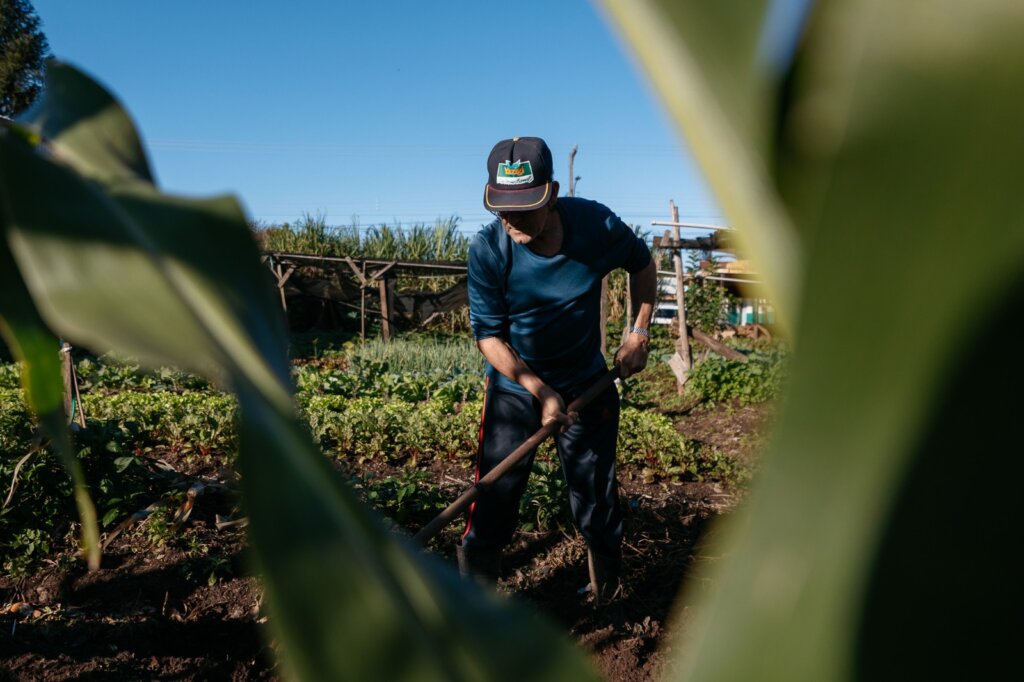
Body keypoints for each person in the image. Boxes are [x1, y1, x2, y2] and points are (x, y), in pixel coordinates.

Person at [458, 136, 656, 604]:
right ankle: (473, 604)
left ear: (550, 193)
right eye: (502, 209)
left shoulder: (596, 225)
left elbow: (643, 268)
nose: (511, 220)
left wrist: (639, 334)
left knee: (595, 494)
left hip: (587, 379)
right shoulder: (489, 250)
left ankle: (607, 594)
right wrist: (537, 388)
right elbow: (489, 336)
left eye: (524, 208)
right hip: (516, 385)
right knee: (494, 494)